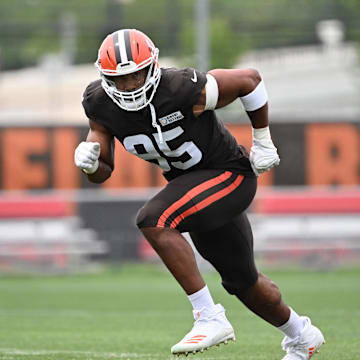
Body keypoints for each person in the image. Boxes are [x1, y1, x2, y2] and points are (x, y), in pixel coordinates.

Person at [74, 28, 325, 359]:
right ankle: (301, 335)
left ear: (152, 66)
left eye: (136, 75)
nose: (130, 85)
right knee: (243, 282)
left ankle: (208, 316)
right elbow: (103, 172)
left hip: (228, 176)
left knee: (154, 218)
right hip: (196, 190)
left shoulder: (181, 88)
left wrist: (262, 140)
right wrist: (91, 165)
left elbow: (249, 79)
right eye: (119, 79)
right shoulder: (100, 105)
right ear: (104, 77)